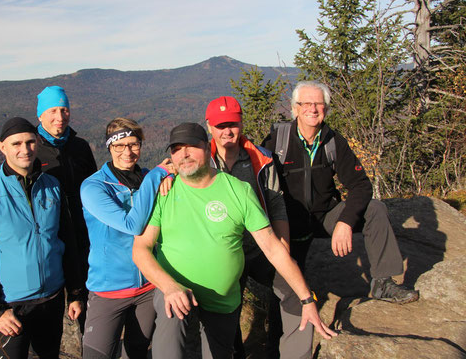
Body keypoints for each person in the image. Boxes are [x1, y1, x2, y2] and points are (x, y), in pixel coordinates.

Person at [132, 122, 337, 359]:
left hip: (222, 301)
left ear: (208, 149)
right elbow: (141, 249)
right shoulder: (163, 191)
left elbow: (272, 248)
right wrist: (169, 287)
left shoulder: (238, 191)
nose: (184, 154)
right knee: (169, 344)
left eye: (191, 147)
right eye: (177, 149)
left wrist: (306, 298)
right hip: (175, 293)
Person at [262, 81, 419, 304]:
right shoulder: (278, 141)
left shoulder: (333, 141)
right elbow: (259, 183)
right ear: (295, 108)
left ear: (326, 108)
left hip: (326, 217)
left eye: (319, 104)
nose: (313, 109)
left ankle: (383, 283)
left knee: (375, 209)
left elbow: (361, 185)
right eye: (306, 103)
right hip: (289, 224)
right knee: (287, 295)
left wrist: (345, 222)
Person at [0, 117, 85, 359]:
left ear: (37, 143)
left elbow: (67, 241)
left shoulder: (52, 186)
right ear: (1, 147)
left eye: (30, 142)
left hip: (52, 300)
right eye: (16, 143)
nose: (24, 149)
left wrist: (75, 292)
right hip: (12, 307)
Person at [205, 96, 310, 359]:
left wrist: (283, 248)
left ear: (241, 123)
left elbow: (276, 205)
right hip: (223, 254)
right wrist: (162, 174)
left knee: (295, 291)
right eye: (220, 125)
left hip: (260, 247)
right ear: (209, 127)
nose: (227, 131)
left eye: (233, 123)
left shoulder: (260, 158)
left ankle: (292, 353)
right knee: (227, 311)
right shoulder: (200, 161)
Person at [80, 118, 174, 359]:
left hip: (147, 287)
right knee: (96, 355)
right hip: (108, 289)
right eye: (119, 146)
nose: (127, 152)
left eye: (133, 144)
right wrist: (158, 174)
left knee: (137, 352)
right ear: (109, 147)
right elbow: (131, 224)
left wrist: (167, 178)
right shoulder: (94, 187)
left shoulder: (146, 177)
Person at [36, 86, 97, 279]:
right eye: (52, 111)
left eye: (64, 110)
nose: (60, 117)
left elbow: (94, 187)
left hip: (84, 234)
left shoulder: (80, 147)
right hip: (51, 236)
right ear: (40, 116)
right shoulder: (32, 151)